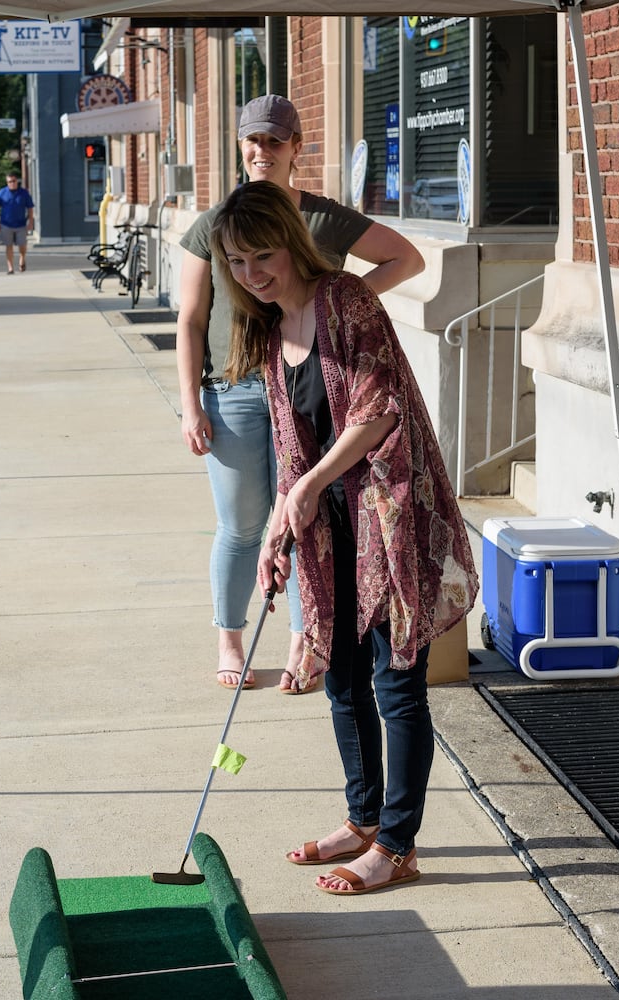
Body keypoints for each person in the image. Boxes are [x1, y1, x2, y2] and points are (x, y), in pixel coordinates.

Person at [212, 180, 477, 895]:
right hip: (333, 525)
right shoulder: (270, 331)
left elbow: (379, 411)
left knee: (397, 685)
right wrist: (278, 530)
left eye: (262, 255)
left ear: (292, 244)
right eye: (236, 262)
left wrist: (307, 486)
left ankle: (396, 844)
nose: (250, 274)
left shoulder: (345, 301)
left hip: (389, 519)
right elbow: (293, 452)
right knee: (342, 679)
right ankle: (363, 820)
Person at [176, 95, 424, 695]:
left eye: (275, 141)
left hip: (310, 389)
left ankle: (303, 641)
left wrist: (339, 305)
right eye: (252, 142)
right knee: (241, 526)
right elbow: (189, 318)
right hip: (234, 390)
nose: (262, 152)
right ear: (241, 147)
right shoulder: (217, 224)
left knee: (304, 518)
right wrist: (190, 404)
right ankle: (229, 636)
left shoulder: (323, 220)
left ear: (297, 147)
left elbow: (406, 259)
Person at [0, 172, 34, 274]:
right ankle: (10, 268)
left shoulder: (23, 193)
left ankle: (22, 258)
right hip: (6, 224)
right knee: (8, 246)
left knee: (22, 245)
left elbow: (30, 208)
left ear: (17, 181)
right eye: (9, 182)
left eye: (13, 181)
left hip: (21, 224)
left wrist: (30, 222)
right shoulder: (2, 192)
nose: (11, 183)